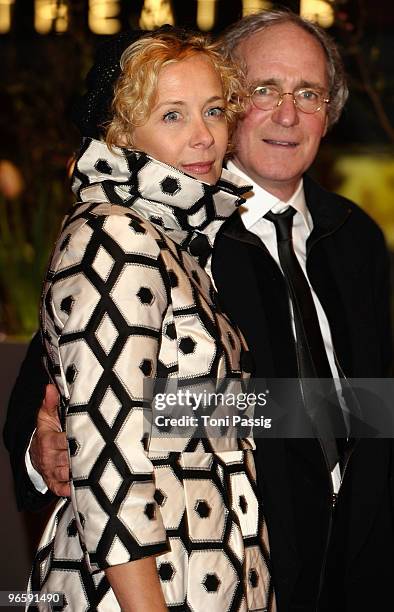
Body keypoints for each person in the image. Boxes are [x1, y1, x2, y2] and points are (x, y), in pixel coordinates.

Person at [3, 8, 393, 612]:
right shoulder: (170, 229)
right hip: (212, 570)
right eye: (263, 90)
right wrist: (46, 448)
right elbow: (71, 393)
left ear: (330, 112)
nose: (286, 114)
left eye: (308, 93)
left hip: (353, 571)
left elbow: (375, 407)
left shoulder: (357, 237)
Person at [12, 28, 275, 611]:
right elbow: (112, 460)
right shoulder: (119, 235)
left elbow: (185, 409)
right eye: (172, 116)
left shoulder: (176, 233)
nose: (204, 135)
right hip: (155, 582)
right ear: (122, 131)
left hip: (213, 567)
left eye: (213, 110)